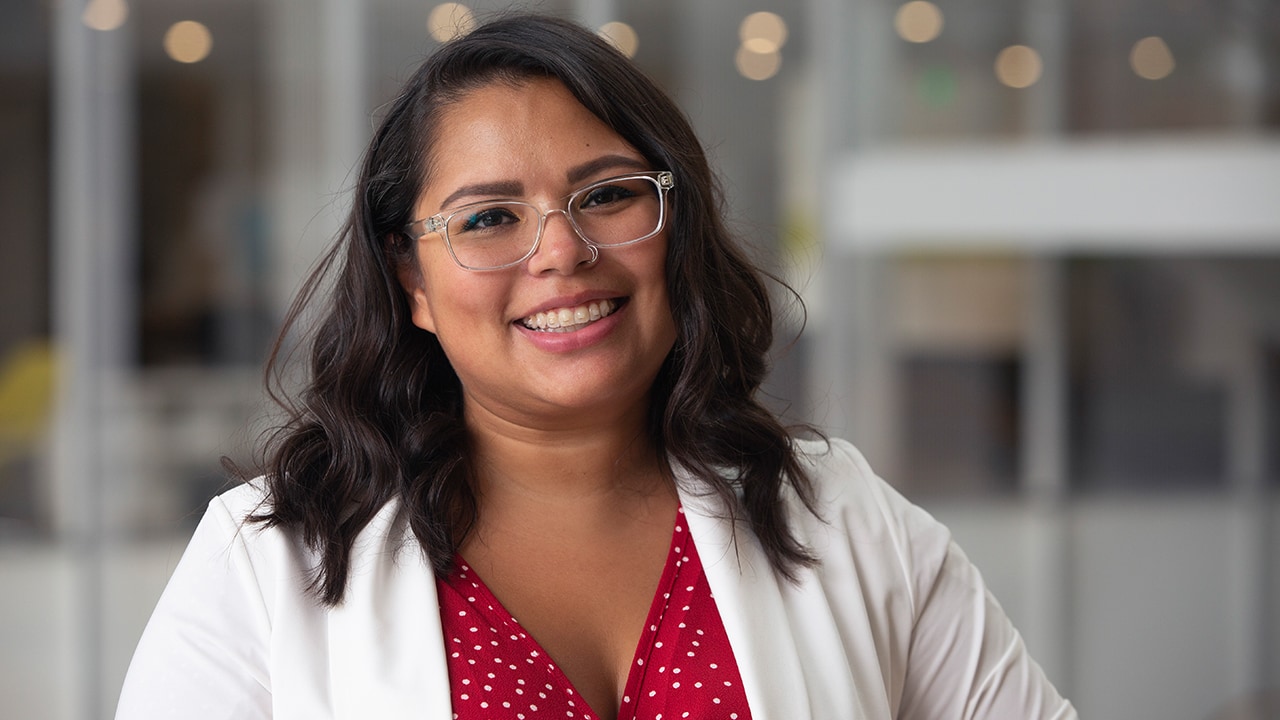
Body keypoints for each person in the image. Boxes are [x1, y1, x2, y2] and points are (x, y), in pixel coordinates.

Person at [116, 13, 1076, 720]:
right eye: (489, 218)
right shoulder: (265, 561)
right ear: (410, 279)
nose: (562, 253)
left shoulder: (846, 519)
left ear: (676, 220)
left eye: (608, 195)